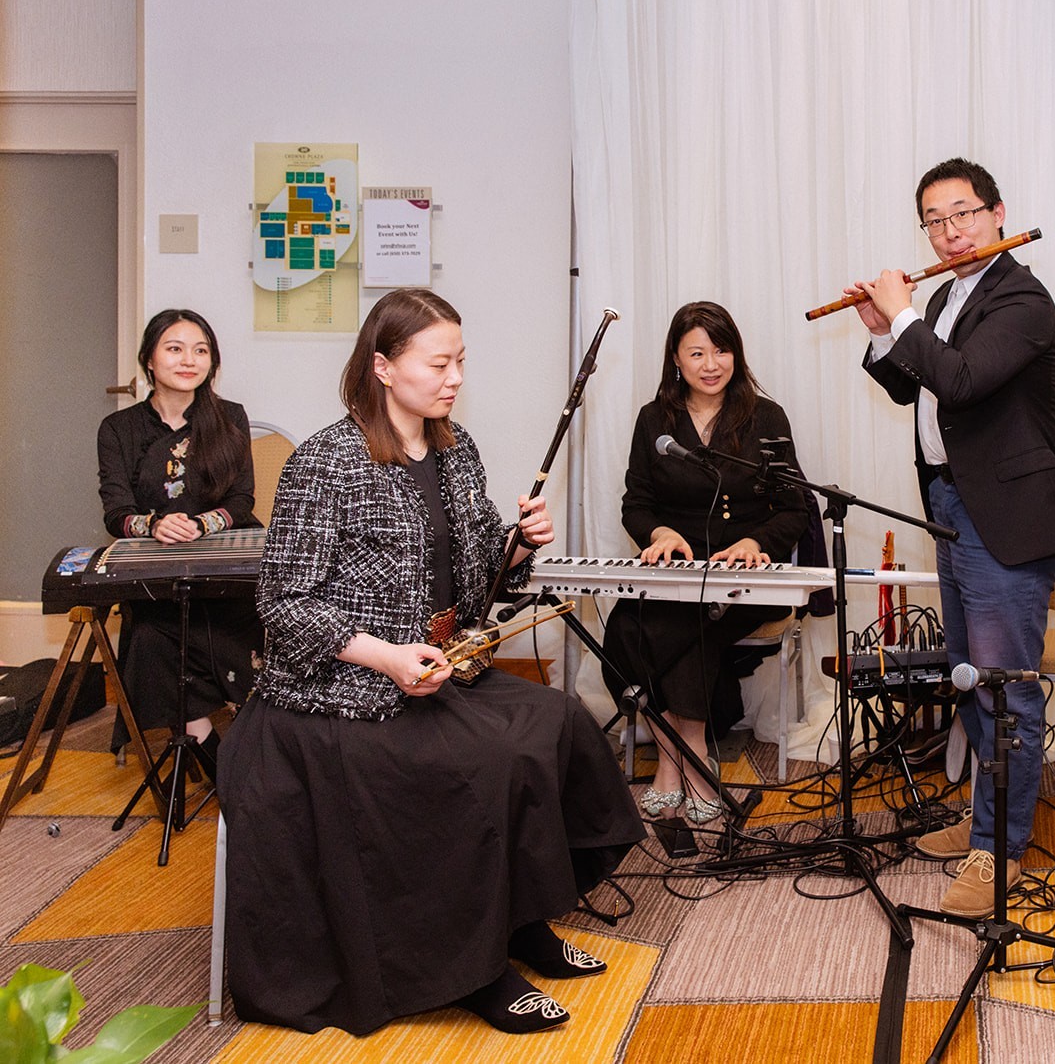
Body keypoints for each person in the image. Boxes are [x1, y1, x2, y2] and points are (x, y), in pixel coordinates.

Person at [218, 288, 644, 1036]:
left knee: (556, 721)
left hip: (437, 672)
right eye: (438, 363)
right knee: (479, 762)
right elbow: (284, 606)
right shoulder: (326, 461)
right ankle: (476, 968)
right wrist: (386, 657)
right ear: (382, 366)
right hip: (339, 690)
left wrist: (518, 545)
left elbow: (477, 578)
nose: (454, 378)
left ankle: (520, 921)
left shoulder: (455, 448)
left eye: (460, 362)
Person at [848, 158, 1055, 918]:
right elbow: (915, 385)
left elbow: (961, 381)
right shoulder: (947, 297)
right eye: (935, 221)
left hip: (1005, 515)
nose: (950, 232)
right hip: (950, 505)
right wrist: (885, 331)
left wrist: (906, 320)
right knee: (969, 680)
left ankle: (1000, 849)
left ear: (997, 212)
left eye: (964, 214)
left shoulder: (1023, 297)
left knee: (1004, 688)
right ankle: (985, 821)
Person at [602, 301, 808, 824]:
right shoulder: (654, 420)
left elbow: (795, 507)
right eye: (697, 353)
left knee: (682, 624)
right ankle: (686, 759)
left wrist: (756, 542)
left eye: (721, 351)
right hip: (675, 572)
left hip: (746, 578)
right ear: (676, 358)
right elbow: (636, 504)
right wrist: (659, 532)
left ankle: (678, 765)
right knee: (628, 625)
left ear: (736, 354)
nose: (711, 364)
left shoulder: (766, 417)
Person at [96, 309, 261, 778]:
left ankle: (245, 748)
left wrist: (202, 524)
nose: (189, 360)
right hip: (159, 572)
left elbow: (242, 499)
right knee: (151, 637)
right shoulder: (119, 429)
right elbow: (116, 513)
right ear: (149, 359)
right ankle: (214, 756)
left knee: (235, 625)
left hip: (225, 568)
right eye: (175, 349)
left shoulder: (230, 417)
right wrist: (154, 526)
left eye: (200, 350)